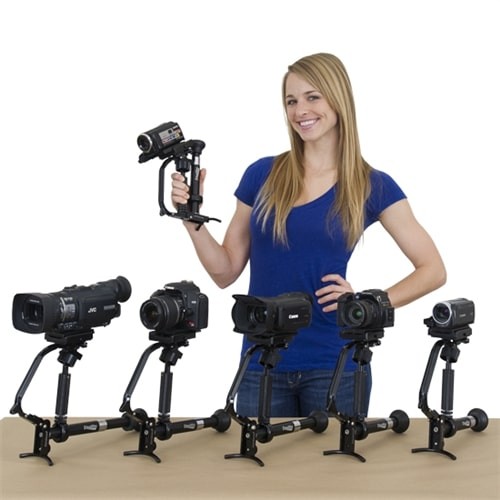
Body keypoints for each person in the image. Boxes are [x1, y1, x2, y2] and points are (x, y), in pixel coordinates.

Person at [171, 52, 446, 418]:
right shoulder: (262, 175)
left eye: (312, 97)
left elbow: (433, 270)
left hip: (335, 364)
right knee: (257, 458)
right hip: (260, 362)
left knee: (333, 459)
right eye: (291, 101)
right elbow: (225, 272)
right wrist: (191, 219)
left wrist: (371, 303)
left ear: (337, 99)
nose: (300, 110)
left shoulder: (371, 185)